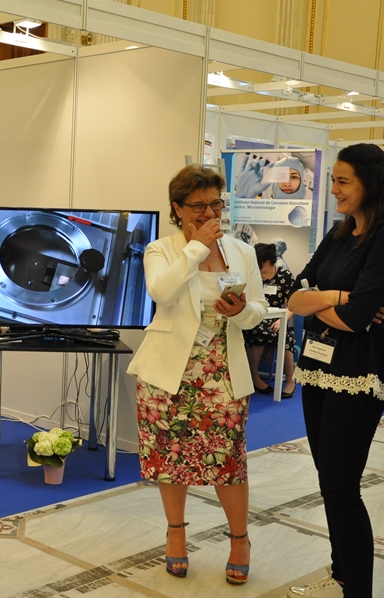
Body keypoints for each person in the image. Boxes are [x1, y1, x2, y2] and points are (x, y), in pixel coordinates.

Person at [286, 144, 384, 598]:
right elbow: (296, 295)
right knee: (329, 481)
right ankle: (341, 575)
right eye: (334, 181)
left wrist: (323, 301)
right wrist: (339, 297)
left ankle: (356, 590)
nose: (335, 190)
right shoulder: (340, 231)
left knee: (341, 487)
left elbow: (360, 319)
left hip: (360, 372)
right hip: (319, 366)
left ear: (371, 183)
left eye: (343, 181)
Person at [126, 166, 267, 584]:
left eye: (215, 204)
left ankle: (239, 540)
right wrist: (196, 249)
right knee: (170, 460)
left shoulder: (241, 251)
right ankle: (175, 534)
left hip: (222, 369)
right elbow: (161, 292)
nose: (209, 213)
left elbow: (259, 309)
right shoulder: (161, 249)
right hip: (168, 372)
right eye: (199, 206)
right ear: (178, 208)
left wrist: (241, 311)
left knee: (228, 460)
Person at [244, 243, 296, 398]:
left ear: (267, 263)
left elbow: (292, 306)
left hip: (278, 317)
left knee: (285, 335)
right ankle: (254, 377)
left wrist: (281, 321)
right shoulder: (253, 275)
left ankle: (290, 381)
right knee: (255, 332)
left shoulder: (285, 276)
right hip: (256, 317)